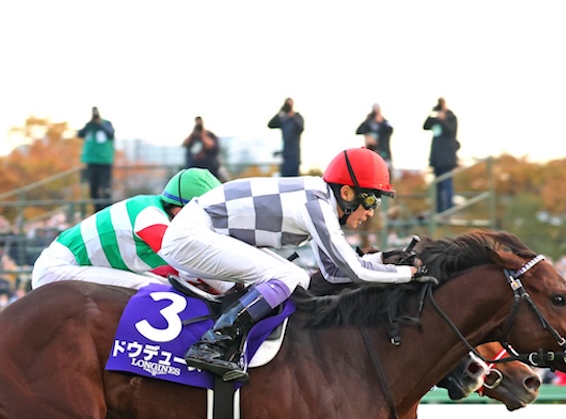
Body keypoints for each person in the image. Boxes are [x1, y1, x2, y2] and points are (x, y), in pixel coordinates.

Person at [160, 148, 424, 381]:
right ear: (346, 192)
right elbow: (353, 270)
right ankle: (213, 345)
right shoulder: (316, 205)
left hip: (205, 231)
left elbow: (332, 273)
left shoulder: (318, 200)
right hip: (193, 234)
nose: (372, 212)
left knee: (299, 277)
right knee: (285, 275)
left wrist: (381, 261)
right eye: (371, 200)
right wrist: (406, 273)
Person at [31, 168, 223, 291]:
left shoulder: (155, 210)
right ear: (181, 210)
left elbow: (182, 271)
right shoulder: (149, 215)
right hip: (57, 270)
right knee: (153, 288)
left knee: (166, 286)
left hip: (75, 266)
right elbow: (189, 260)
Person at [422, 97, 460, 213]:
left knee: (446, 183)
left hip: (447, 158)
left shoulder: (451, 118)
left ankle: (449, 209)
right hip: (437, 158)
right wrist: (433, 113)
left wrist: (443, 119)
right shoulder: (436, 119)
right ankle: (439, 210)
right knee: (438, 186)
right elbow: (425, 126)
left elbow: (451, 131)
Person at [77, 106, 116, 212]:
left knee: (106, 189)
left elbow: (110, 133)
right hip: (91, 162)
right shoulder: (90, 126)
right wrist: (90, 123)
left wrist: (100, 123)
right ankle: (97, 211)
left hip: (105, 162)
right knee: (93, 189)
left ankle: (108, 211)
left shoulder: (106, 124)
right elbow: (80, 134)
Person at [268, 98, 304, 177]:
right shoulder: (284, 120)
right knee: (284, 180)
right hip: (285, 155)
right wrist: (280, 112)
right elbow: (270, 125)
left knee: (295, 180)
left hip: (295, 155)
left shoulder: (297, 117)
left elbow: (301, 128)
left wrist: (293, 116)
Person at [182, 117, 222, 181]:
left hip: (210, 170)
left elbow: (211, 145)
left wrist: (202, 134)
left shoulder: (209, 135)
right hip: (193, 169)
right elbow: (184, 144)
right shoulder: (192, 137)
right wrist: (193, 132)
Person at [355, 103, 394, 169]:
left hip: (383, 151)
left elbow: (390, 130)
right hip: (371, 152)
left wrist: (381, 121)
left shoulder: (384, 123)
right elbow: (358, 131)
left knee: (385, 170)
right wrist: (366, 120)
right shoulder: (368, 123)